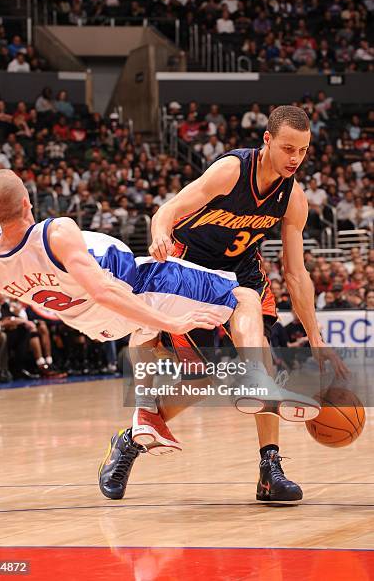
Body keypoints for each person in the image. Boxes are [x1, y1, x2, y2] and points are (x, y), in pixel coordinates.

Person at [100, 105, 345, 503]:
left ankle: (270, 468)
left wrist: (316, 337)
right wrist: (160, 232)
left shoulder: (293, 197)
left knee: (261, 354)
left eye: (303, 151)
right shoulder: (231, 171)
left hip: (241, 273)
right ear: (267, 141)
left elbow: (297, 274)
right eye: (288, 149)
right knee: (201, 379)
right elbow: (169, 209)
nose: (295, 159)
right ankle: (129, 440)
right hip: (189, 268)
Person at [0, 169, 302, 417]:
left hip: (95, 326)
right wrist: (171, 322)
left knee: (148, 334)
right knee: (243, 295)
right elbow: (104, 291)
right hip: (136, 287)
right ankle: (255, 378)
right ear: (27, 201)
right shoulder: (55, 232)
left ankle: (144, 416)